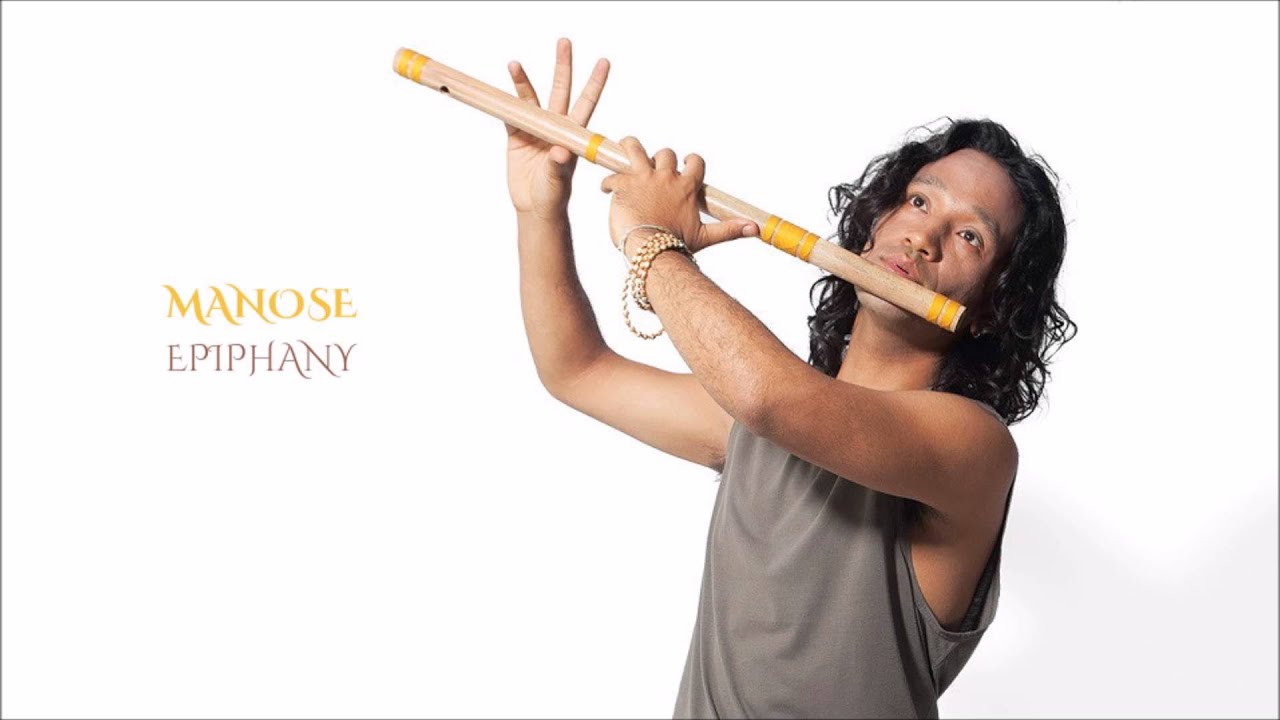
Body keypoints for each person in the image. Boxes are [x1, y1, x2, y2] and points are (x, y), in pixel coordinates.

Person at [505, 38, 1075, 719]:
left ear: (990, 309)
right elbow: (576, 369)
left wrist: (651, 239)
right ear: (876, 223)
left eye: (970, 237)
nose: (924, 238)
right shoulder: (755, 421)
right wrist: (539, 211)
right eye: (920, 202)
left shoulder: (973, 447)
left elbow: (769, 397)